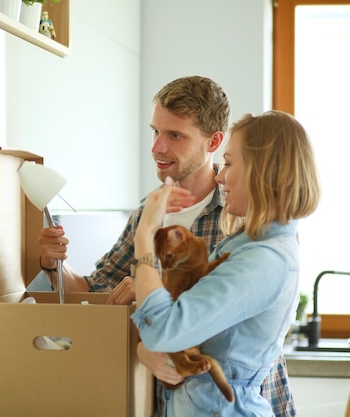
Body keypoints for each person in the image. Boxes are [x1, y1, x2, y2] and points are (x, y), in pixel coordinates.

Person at [38, 76, 298, 416]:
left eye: (175, 135)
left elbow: (222, 322)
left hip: (235, 401)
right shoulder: (149, 212)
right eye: (155, 131)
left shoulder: (244, 214)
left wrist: (151, 297)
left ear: (213, 141)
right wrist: (52, 263)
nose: (157, 147)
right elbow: (95, 290)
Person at [130, 110, 320, 415]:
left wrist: (145, 238)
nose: (220, 176)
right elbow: (181, 325)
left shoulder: (263, 260)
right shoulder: (245, 245)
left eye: (229, 164)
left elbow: (164, 330)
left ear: (263, 172)